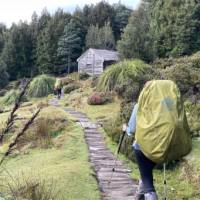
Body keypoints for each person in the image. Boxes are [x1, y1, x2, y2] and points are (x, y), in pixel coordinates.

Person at [125, 103, 158, 200]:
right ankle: (139, 196)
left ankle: (148, 196)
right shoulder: (164, 104)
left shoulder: (140, 105)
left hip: (142, 147)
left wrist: (126, 129)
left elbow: (132, 129)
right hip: (159, 148)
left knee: (147, 179)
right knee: (146, 173)